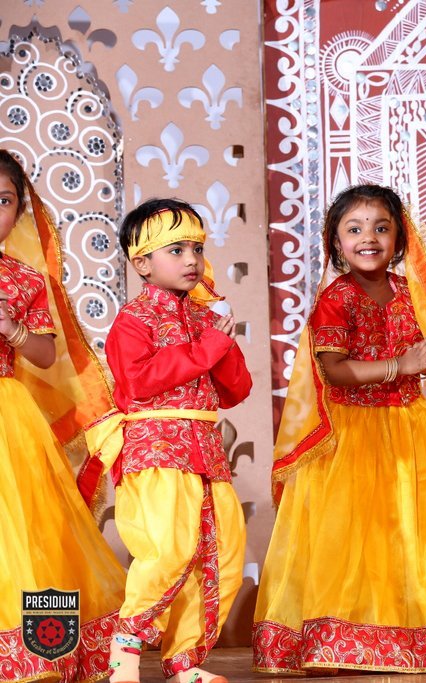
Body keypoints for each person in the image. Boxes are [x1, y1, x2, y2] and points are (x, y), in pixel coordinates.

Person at [253, 184, 426, 674]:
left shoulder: (412, 293)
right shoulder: (337, 298)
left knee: (412, 533)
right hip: (352, 436)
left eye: (381, 228)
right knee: (353, 539)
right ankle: (344, 639)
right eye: (355, 228)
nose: (369, 237)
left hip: (410, 429)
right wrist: (399, 366)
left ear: (399, 239)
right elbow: (334, 370)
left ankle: (411, 637)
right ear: (336, 242)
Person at [80, 199, 252, 683]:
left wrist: (222, 339)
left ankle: (185, 663)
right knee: (169, 551)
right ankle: (124, 655)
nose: (191, 259)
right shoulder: (133, 320)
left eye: (196, 248)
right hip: (157, 451)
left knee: (219, 555)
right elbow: (138, 382)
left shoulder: (205, 318)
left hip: (205, 451)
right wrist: (209, 346)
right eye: (175, 250)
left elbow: (236, 390)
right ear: (142, 264)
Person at [0, 149, 125, 681]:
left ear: (19, 211)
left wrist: (11, 329)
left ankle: (39, 650)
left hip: (7, 418)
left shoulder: (24, 279)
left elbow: (47, 356)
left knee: (28, 532)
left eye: (4, 201)